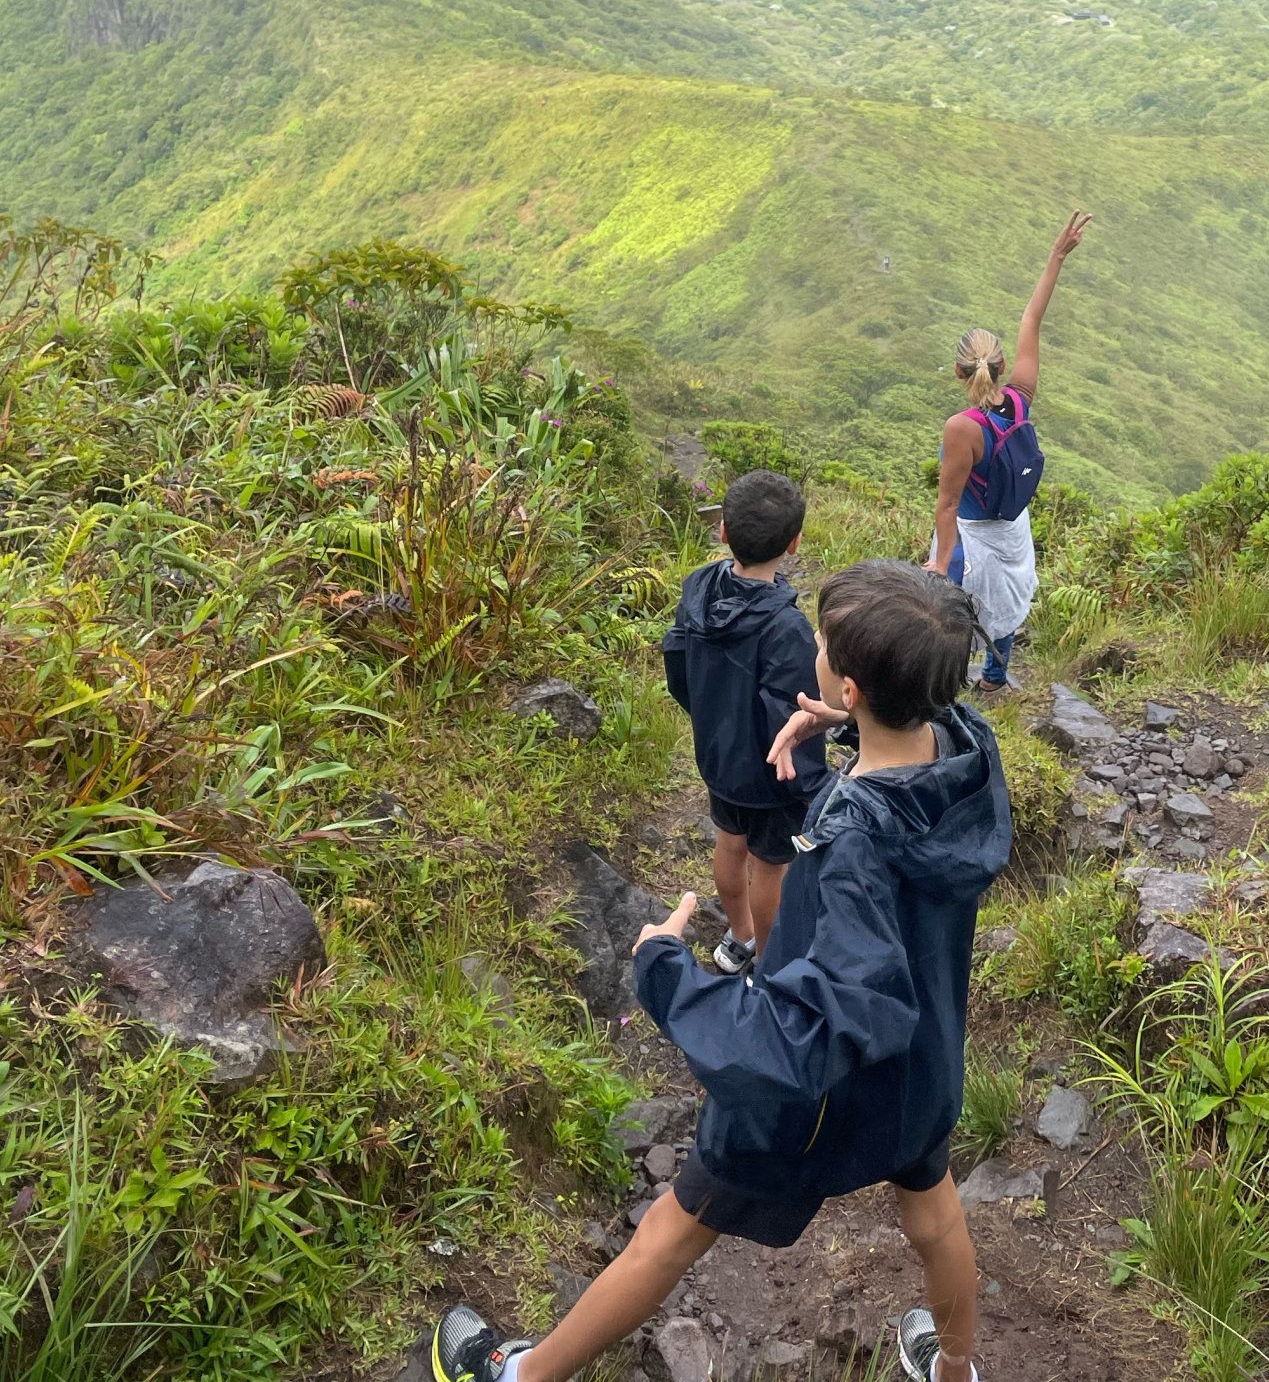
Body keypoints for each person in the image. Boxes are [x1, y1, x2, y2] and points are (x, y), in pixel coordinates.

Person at [431, 560, 1012, 1382]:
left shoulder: (852, 842)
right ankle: (954, 1370)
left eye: (821, 641)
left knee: (675, 1228)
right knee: (935, 1220)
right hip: (920, 1063)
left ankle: (521, 1376)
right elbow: (901, 781)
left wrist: (665, 966)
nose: (811, 645)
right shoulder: (965, 755)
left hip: (812, 1102)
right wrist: (844, 732)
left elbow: (802, 1034)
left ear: (849, 685)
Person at [662, 468, 827, 974]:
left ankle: (738, 939)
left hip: (719, 758)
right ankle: (770, 964)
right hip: (772, 778)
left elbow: (678, 668)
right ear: (795, 542)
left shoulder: (699, 590)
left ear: (724, 532)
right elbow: (795, 715)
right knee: (770, 868)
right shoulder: (785, 626)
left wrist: (712, 720)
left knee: (729, 845)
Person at [927, 210, 1092, 688]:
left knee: (949, 611)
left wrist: (940, 564)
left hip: (973, 532)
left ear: (960, 373)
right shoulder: (1021, 397)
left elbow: (948, 504)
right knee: (1004, 602)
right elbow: (1032, 317)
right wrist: (1056, 256)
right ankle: (996, 677)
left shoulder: (962, 427)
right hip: (1013, 526)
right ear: (999, 367)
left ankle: (944, 685)